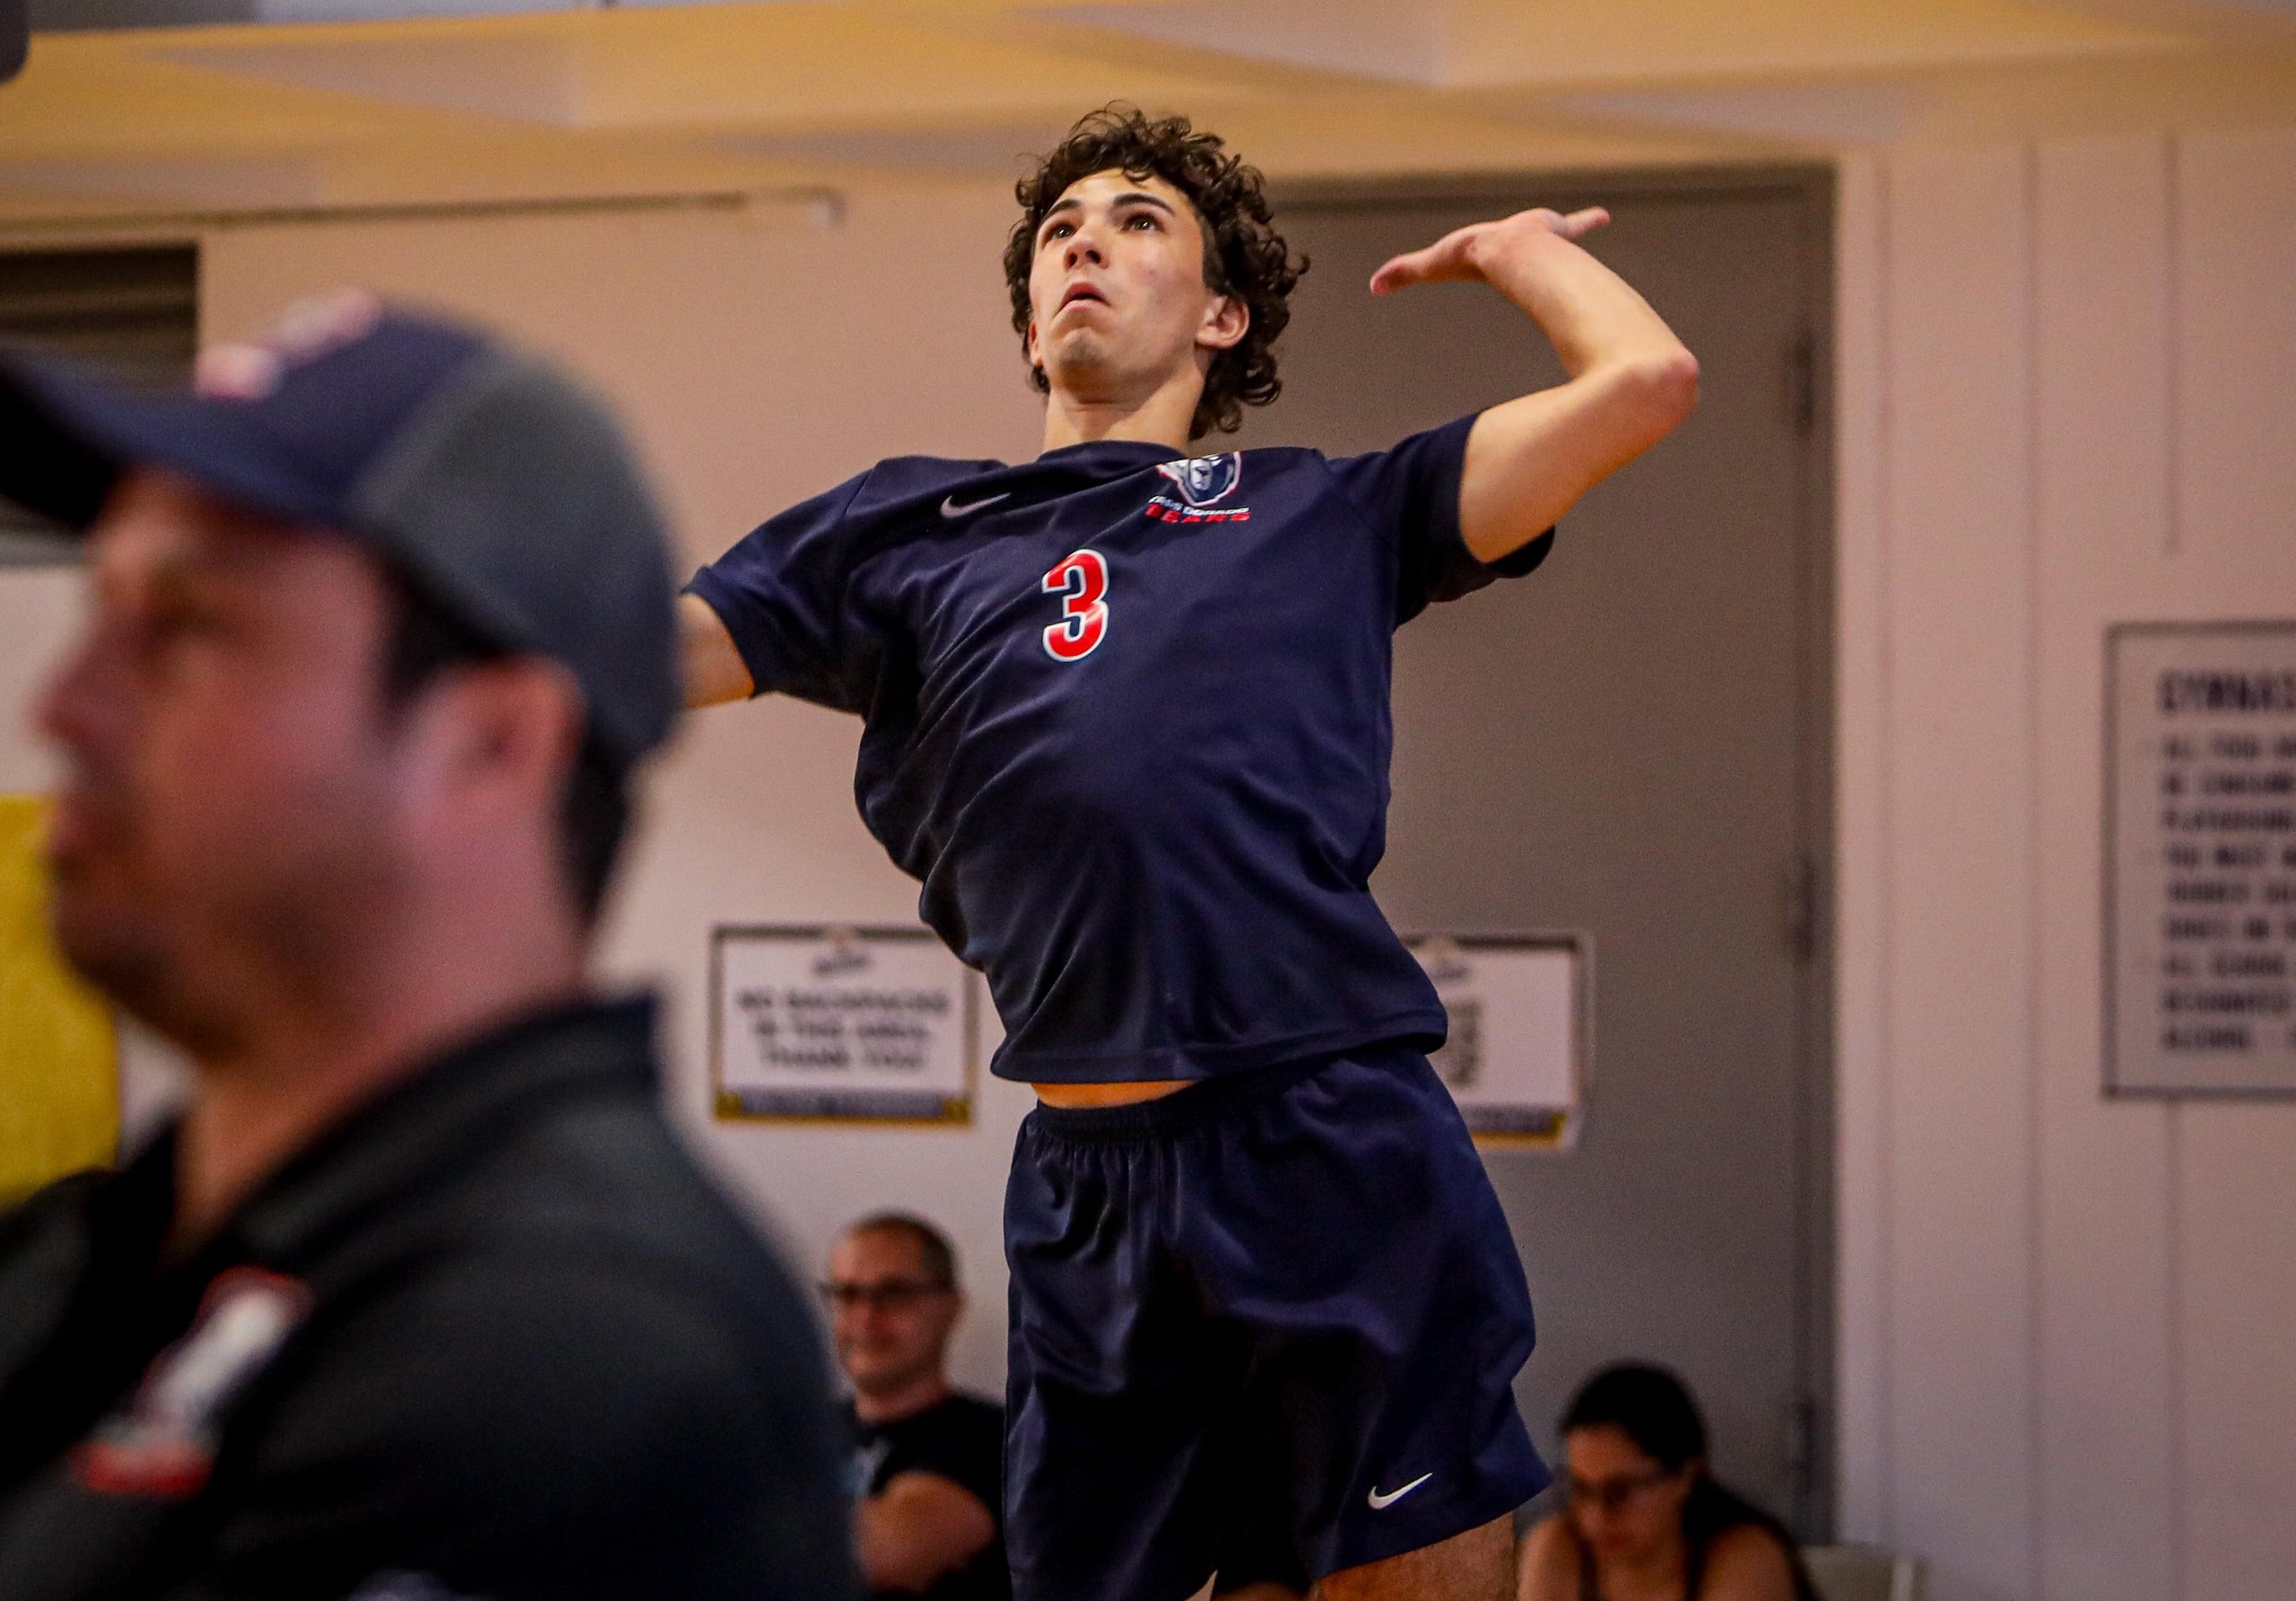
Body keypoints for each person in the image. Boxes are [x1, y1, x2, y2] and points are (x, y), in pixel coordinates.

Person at [681, 107, 1699, 1601]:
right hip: (1089, 1172)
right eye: (1059, 227)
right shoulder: (903, 529)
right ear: (1032, 313)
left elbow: (1644, 383)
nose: (1085, 237)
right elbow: (616, 662)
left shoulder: (1328, 509)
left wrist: (1521, 254)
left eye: (1139, 218)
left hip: (1325, 1132)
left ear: (1223, 315)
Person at [0, 294, 855, 1601]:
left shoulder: (574, 1346)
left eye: (182, 627)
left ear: (492, 747)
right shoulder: (86, 1256)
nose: (63, 705)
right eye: (98, 607)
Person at [1517, 1365, 1816, 1601]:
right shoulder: (1558, 1546)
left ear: (1685, 1477)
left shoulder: (1746, 1556)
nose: (1596, 1516)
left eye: (1619, 1492)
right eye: (1580, 1489)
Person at [828, 1212, 1007, 1601]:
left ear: (951, 1306)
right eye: (847, 1294)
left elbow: (884, 1554)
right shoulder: (799, 1425)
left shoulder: (996, 1439)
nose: (865, 1317)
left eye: (893, 1294)